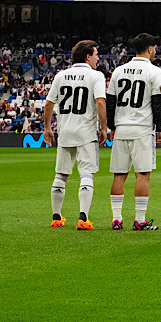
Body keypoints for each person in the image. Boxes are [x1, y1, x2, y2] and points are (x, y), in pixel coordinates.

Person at [107, 33, 161, 231]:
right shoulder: (154, 71)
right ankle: (139, 220)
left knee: (119, 175)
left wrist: (112, 126)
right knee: (142, 174)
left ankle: (116, 219)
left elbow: (111, 101)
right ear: (150, 49)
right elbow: (157, 102)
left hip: (122, 128)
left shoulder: (119, 71)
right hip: (142, 128)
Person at [43, 40, 107, 230]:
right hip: (86, 132)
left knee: (61, 174)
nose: (98, 58)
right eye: (96, 54)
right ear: (88, 56)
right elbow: (100, 103)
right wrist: (104, 127)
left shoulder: (61, 75)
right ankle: (83, 218)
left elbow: (48, 104)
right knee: (86, 173)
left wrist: (47, 127)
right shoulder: (96, 76)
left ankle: (56, 217)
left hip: (65, 130)